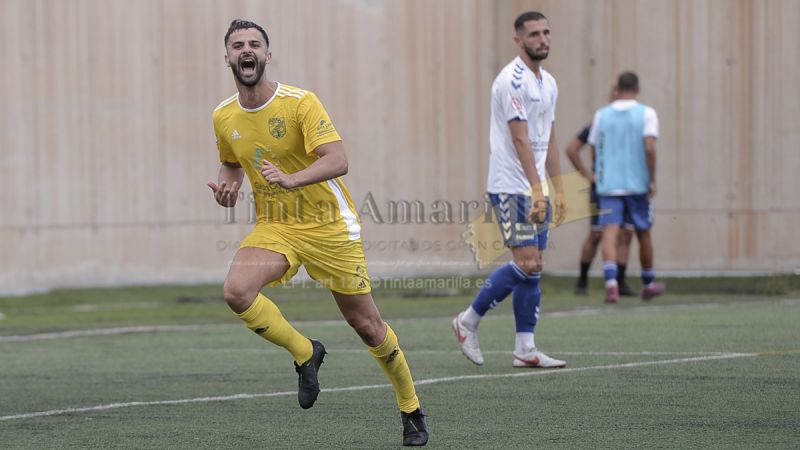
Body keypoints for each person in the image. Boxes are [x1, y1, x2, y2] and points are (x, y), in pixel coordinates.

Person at [207, 20, 427, 446]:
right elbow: (231, 161)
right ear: (228, 57)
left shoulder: (300, 102)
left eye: (254, 44)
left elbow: (338, 159)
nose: (246, 50)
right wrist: (228, 189)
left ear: (268, 56)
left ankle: (411, 408)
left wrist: (293, 179)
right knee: (237, 291)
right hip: (277, 225)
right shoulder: (223, 115)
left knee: (367, 326)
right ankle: (306, 353)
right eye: (238, 45)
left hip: (330, 226)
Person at [452, 11, 566, 369]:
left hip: (535, 186)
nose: (542, 39)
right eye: (534, 34)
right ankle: (467, 320)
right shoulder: (512, 81)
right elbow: (520, 139)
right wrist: (536, 189)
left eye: (546, 32)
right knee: (526, 262)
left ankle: (525, 349)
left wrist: (558, 189)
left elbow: (548, 137)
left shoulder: (548, 82)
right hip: (510, 186)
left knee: (534, 267)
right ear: (519, 40)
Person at [587, 72, 666, 303]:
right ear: (637, 88)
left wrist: (599, 172)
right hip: (636, 184)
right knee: (643, 233)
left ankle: (611, 283)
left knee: (610, 232)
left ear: (618, 88)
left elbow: (593, 146)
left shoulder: (602, 114)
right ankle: (648, 283)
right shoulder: (647, 113)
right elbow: (649, 147)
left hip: (609, 185)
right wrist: (652, 178)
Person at [564, 87, 634, 296]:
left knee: (626, 233)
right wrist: (588, 174)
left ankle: (620, 282)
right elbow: (571, 148)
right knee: (597, 234)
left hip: (627, 185)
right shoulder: (599, 123)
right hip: (603, 187)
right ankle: (583, 280)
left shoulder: (632, 124)